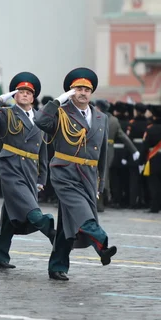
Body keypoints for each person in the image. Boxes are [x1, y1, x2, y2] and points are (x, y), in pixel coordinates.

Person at [35, 67, 117, 281]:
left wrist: (101, 184)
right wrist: (57, 101)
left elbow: (103, 154)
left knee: (67, 223)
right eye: (78, 88)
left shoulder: (101, 117)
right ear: (71, 91)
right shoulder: (61, 112)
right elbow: (40, 122)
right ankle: (102, 245)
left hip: (88, 174)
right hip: (65, 171)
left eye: (87, 89)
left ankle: (57, 266)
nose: (83, 93)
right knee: (83, 214)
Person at [0, 72, 55, 269]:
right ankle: (54, 234)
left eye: (28, 92)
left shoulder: (40, 118)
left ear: (33, 97)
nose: (24, 94)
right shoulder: (6, 114)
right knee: (32, 211)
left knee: (11, 216)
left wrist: (42, 178)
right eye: (20, 91)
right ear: (14, 95)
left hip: (30, 171)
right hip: (11, 167)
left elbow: (43, 150)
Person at [94, 100, 138, 212]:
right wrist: (134, 150)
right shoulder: (114, 120)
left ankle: (99, 203)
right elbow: (123, 136)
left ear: (99, 108)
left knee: (97, 176)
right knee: (104, 176)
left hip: (96, 149)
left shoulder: (95, 118)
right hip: (110, 151)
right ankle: (103, 200)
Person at [139, 105, 161, 213]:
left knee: (153, 184)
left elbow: (145, 146)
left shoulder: (150, 129)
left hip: (153, 158)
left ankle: (155, 206)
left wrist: (141, 161)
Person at [126, 103, 149, 208]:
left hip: (134, 149)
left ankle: (132, 201)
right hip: (145, 150)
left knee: (133, 179)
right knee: (144, 179)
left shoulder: (132, 123)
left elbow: (128, 138)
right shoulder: (148, 123)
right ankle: (144, 200)